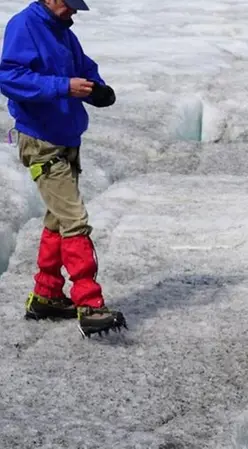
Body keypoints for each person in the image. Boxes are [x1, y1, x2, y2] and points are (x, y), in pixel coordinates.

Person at [0, 0, 126, 337]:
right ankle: (90, 304)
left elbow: (83, 66)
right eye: (70, 5)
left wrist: (97, 89)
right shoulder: (24, 25)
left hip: (66, 136)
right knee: (74, 220)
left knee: (58, 218)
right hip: (42, 142)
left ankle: (47, 296)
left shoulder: (62, 31)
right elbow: (9, 77)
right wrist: (63, 87)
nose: (74, 11)